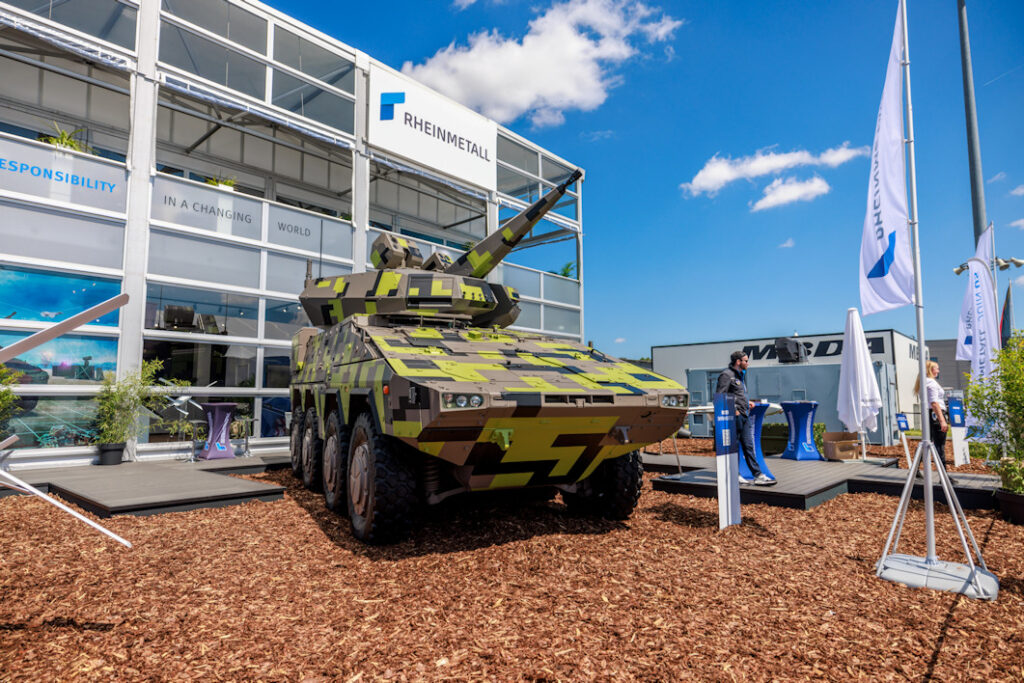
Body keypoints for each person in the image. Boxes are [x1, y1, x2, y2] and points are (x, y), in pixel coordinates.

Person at [716, 351, 775, 486]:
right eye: (746, 361)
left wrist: (748, 403)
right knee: (734, 447)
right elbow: (720, 396)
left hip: (745, 415)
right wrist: (734, 410)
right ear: (738, 362)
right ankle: (734, 475)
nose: (748, 363)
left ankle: (758, 475)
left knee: (749, 446)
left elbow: (737, 395)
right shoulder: (726, 375)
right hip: (735, 417)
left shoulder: (739, 375)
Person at [913, 360, 947, 460]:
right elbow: (934, 402)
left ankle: (916, 466)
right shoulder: (931, 382)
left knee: (927, 440)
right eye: (937, 369)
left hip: (929, 414)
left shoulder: (923, 382)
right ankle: (942, 469)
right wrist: (942, 420)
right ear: (931, 370)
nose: (938, 371)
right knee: (939, 444)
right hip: (935, 414)